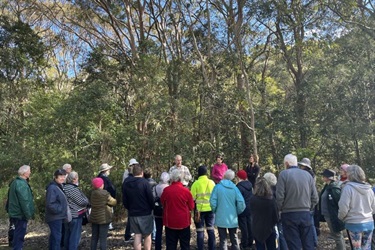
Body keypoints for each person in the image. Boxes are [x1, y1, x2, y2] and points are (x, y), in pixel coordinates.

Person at [275, 154, 318, 250]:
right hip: (305, 213)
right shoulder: (308, 175)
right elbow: (315, 197)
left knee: (294, 244)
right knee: (308, 243)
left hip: (289, 214)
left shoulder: (283, 174)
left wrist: (280, 209)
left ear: (286, 163)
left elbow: (279, 197)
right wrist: (309, 208)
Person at [338, 165, 375, 250]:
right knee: (367, 248)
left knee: (356, 248)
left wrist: (341, 217)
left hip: (353, 223)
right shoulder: (369, 189)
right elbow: (374, 208)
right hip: (369, 223)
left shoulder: (348, 188)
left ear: (349, 175)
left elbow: (343, 207)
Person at [210, 169, 246, 250]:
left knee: (223, 240)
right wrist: (237, 212)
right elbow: (241, 203)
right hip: (232, 218)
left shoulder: (217, 187)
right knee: (234, 238)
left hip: (221, 217)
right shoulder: (235, 188)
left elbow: (212, 202)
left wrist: (215, 210)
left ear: (224, 176)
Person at [123, 164, 155, 250]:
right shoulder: (144, 183)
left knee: (137, 235)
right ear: (142, 172)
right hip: (145, 213)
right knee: (147, 234)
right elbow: (150, 198)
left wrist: (129, 208)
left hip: (133, 213)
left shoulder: (126, 183)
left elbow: (125, 200)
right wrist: (152, 207)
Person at [161, 169, 195, 250]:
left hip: (170, 223)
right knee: (185, 245)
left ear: (171, 179)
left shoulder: (166, 190)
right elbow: (191, 206)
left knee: (171, 246)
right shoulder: (186, 191)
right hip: (184, 223)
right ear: (180, 179)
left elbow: (162, 203)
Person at [7, 165, 35, 250]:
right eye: (29, 171)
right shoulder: (21, 184)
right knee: (19, 235)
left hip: (14, 213)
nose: (30, 172)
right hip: (20, 214)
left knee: (16, 233)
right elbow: (24, 201)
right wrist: (28, 215)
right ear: (25, 173)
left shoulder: (14, 182)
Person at [190, 166, 216, 250]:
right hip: (210, 209)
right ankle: (212, 248)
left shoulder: (196, 184)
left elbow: (192, 198)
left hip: (199, 211)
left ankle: (200, 248)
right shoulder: (211, 183)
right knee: (211, 230)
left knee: (200, 231)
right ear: (206, 173)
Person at [319, 169, 345, 250]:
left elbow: (339, 203)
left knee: (337, 235)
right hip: (328, 215)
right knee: (336, 235)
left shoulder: (334, 188)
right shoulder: (328, 186)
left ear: (328, 177)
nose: (322, 177)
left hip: (333, 215)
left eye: (324, 176)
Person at [249, 178, 278, 250]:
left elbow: (251, 212)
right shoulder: (271, 200)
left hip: (257, 227)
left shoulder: (252, 199)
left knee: (259, 247)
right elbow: (276, 216)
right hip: (269, 227)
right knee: (272, 247)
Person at [63, 171, 89, 250]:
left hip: (67, 215)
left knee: (67, 235)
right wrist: (86, 200)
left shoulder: (65, 187)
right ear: (74, 179)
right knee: (75, 236)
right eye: (77, 177)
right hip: (75, 215)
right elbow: (82, 202)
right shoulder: (73, 189)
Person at [90, 177, 117, 250]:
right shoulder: (105, 193)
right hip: (104, 218)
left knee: (94, 237)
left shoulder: (93, 193)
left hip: (94, 218)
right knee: (103, 238)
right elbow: (113, 202)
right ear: (102, 185)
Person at [45, 169, 69, 250]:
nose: (62, 178)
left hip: (58, 216)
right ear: (55, 177)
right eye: (60, 176)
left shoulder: (59, 186)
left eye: (64, 176)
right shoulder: (52, 188)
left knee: (54, 237)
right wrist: (61, 209)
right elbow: (50, 204)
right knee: (57, 238)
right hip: (55, 217)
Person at [263, 172, 288, 250]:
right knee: (281, 233)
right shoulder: (279, 189)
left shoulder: (267, 192)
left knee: (275, 234)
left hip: (272, 216)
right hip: (281, 214)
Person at [298, 157, 318, 247]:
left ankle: (313, 241)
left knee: (310, 223)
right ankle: (314, 241)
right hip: (310, 201)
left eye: (301, 165)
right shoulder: (312, 174)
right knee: (311, 223)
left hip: (307, 201)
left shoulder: (306, 175)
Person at [236, 170, 253, 250]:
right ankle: (250, 242)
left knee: (243, 227)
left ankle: (244, 243)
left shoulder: (239, 187)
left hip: (242, 208)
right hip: (250, 208)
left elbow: (238, 199)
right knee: (250, 225)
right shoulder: (250, 185)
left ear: (239, 177)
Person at [153, 172, 170, 250]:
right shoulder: (168, 187)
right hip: (166, 212)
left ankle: (158, 247)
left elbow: (152, 198)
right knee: (168, 232)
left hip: (157, 212)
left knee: (158, 231)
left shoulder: (155, 187)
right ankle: (169, 247)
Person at [97, 163, 116, 230]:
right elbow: (110, 189)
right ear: (105, 170)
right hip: (106, 198)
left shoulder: (98, 177)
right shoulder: (104, 178)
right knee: (108, 212)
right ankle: (108, 226)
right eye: (108, 170)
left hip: (101, 198)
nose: (109, 171)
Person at [123, 158, 137, 243]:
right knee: (130, 217)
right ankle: (127, 235)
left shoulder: (132, 174)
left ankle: (130, 233)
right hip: (130, 198)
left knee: (131, 217)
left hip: (130, 198)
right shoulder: (127, 174)